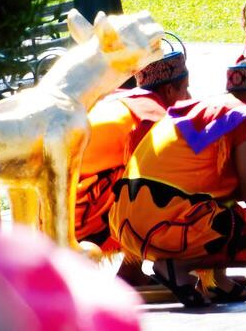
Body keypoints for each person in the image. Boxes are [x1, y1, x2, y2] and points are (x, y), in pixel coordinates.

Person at [109, 60, 246, 306]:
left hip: (126, 227)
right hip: (164, 224)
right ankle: (177, 267)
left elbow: (221, 196)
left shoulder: (205, 107)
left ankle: (215, 283)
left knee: (222, 212)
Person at [73, 51, 191, 278]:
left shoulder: (120, 98)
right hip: (81, 213)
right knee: (161, 188)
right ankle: (132, 272)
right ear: (168, 90)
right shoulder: (152, 114)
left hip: (64, 205)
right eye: (185, 89)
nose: (188, 97)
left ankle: (133, 270)